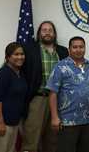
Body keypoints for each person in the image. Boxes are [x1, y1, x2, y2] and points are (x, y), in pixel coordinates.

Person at [21, 21, 68, 152]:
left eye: (50, 30)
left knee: (53, 139)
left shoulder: (63, 51)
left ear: (54, 33)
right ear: (39, 33)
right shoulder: (29, 49)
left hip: (58, 100)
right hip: (37, 99)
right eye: (44, 30)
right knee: (31, 138)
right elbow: (14, 66)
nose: (47, 32)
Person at [46, 36, 89, 152]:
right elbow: (53, 93)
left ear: (85, 48)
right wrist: (54, 117)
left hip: (88, 120)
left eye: (81, 47)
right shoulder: (60, 67)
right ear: (69, 49)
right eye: (75, 47)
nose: (78, 50)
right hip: (67, 121)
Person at [0, 42, 27, 152]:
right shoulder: (3, 73)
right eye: (16, 54)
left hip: (13, 122)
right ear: (8, 57)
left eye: (22, 54)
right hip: (0, 121)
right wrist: (0, 122)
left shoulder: (20, 73)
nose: (20, 57)